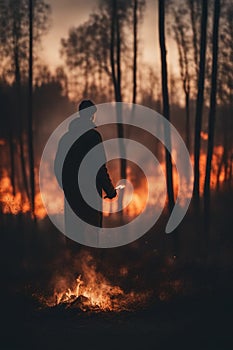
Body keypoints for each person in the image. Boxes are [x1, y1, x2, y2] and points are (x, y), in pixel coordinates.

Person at [54, 100, 116, 241]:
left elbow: (57, 167)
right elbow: (99, 167)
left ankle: (73, 262)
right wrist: (110, 190)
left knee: (74, 238)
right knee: (91, 239)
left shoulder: (66, 138)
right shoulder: (93, 137)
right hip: (90, 196)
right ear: (92, 115)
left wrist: (67, 188)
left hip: (71, 196)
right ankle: (92, 263)